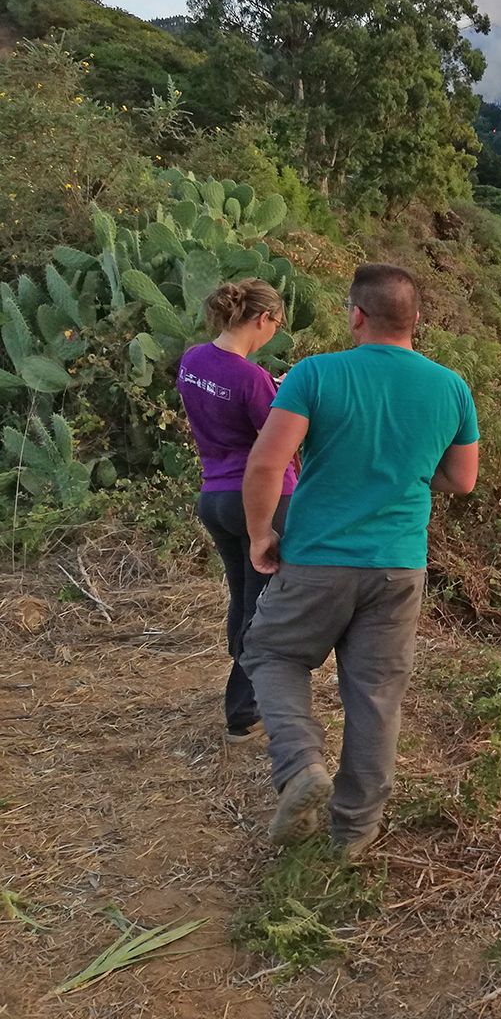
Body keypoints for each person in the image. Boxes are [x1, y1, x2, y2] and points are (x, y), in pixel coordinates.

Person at [238, 263, 479, 858]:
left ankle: (300, 766)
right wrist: (409, 471)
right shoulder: (451, 387)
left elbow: (268, 463)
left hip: (319, 556)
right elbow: (463, 480)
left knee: (271, 651)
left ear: (356, 315)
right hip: (399, 565)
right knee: (375, 695)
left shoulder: (317, 374)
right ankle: (353, 834)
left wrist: (260, 535)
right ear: (416, 321)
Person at [176, 278, 294, 743]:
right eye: (274, 326)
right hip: (261, 500)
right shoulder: (250, 379)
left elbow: (217, 408)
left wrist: (270, 387)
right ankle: (244, 709)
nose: (271, 335)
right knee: (267, 605)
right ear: (262, 319)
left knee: (244, 597)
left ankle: (243, 690)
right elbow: (280, 439)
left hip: (215, 496)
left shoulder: (192, 360)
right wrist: (277, 393)